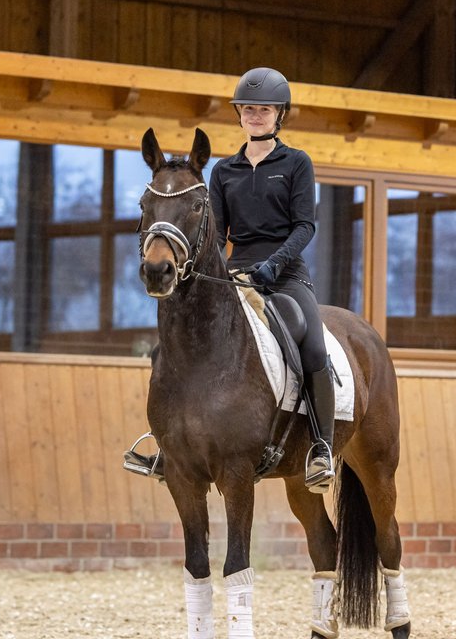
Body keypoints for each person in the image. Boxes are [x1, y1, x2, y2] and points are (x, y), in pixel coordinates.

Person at [124, 66, 336, 491]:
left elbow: (304, 227)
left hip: (286, 276)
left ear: (280, 115)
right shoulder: (223, 171)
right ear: (239, 114)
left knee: (312, 344)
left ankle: (320, 448)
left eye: (265, 109)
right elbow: (214, 233)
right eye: (248, 109)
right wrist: (201, 272)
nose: (255, 116)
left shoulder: (296, 163)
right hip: (236, 274)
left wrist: (274, 264)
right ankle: (171, 444)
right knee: (175, 345)